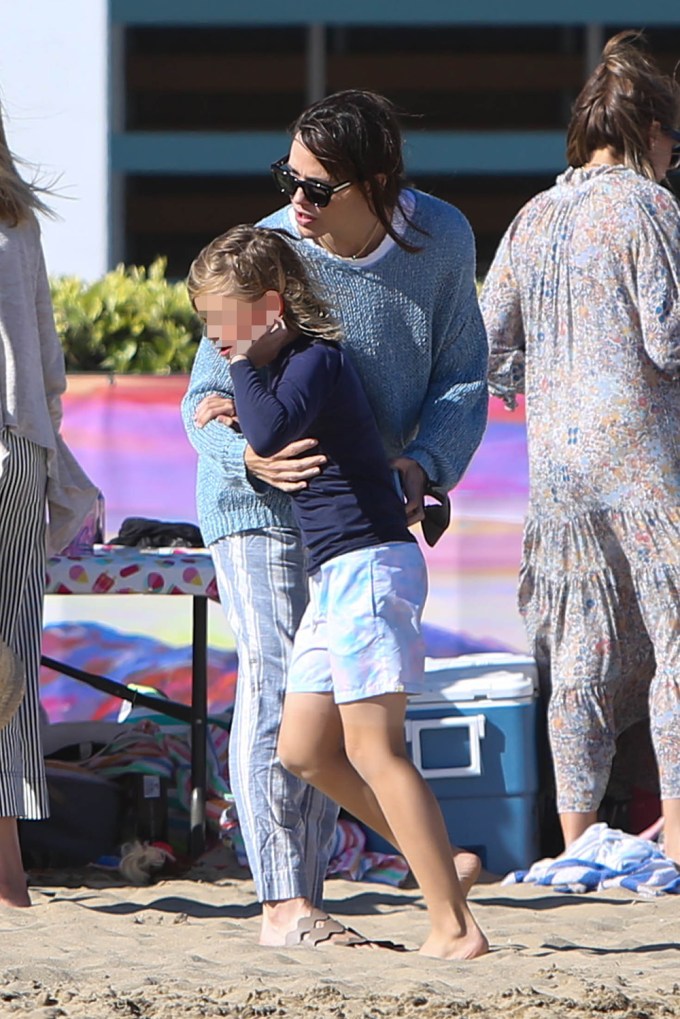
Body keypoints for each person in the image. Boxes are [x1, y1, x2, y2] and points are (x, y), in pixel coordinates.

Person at [181, 89, 489, 947]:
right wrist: (244, 458)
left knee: (324, 725)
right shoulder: (268, 250)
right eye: (289, 178)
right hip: (253, 497)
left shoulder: (444, 239)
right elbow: (204, 397)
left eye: (317, 186)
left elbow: (464, 381)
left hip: (353, 512)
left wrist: (425, 462)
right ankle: (288, 902)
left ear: (379, 182)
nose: (296, 200)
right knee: (278, 678)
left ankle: (371, 875)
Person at [480, 31, 680, 865]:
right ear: (649, 131)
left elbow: (486, 346)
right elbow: (670, 339)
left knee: (581, 658)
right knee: (677, 648)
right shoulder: (648, 206)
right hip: (645, 463)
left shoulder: (535, 216)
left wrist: (550, 373)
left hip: (559, 472)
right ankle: (673, 846)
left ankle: (576, 845)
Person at [0, 99, 98, 906]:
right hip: (17, 444)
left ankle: (9, 872)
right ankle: (10, 872)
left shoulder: (16, 220)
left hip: (13, 445)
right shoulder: (16, 218)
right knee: (8, 652)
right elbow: (47, 360)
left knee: (6, 654)